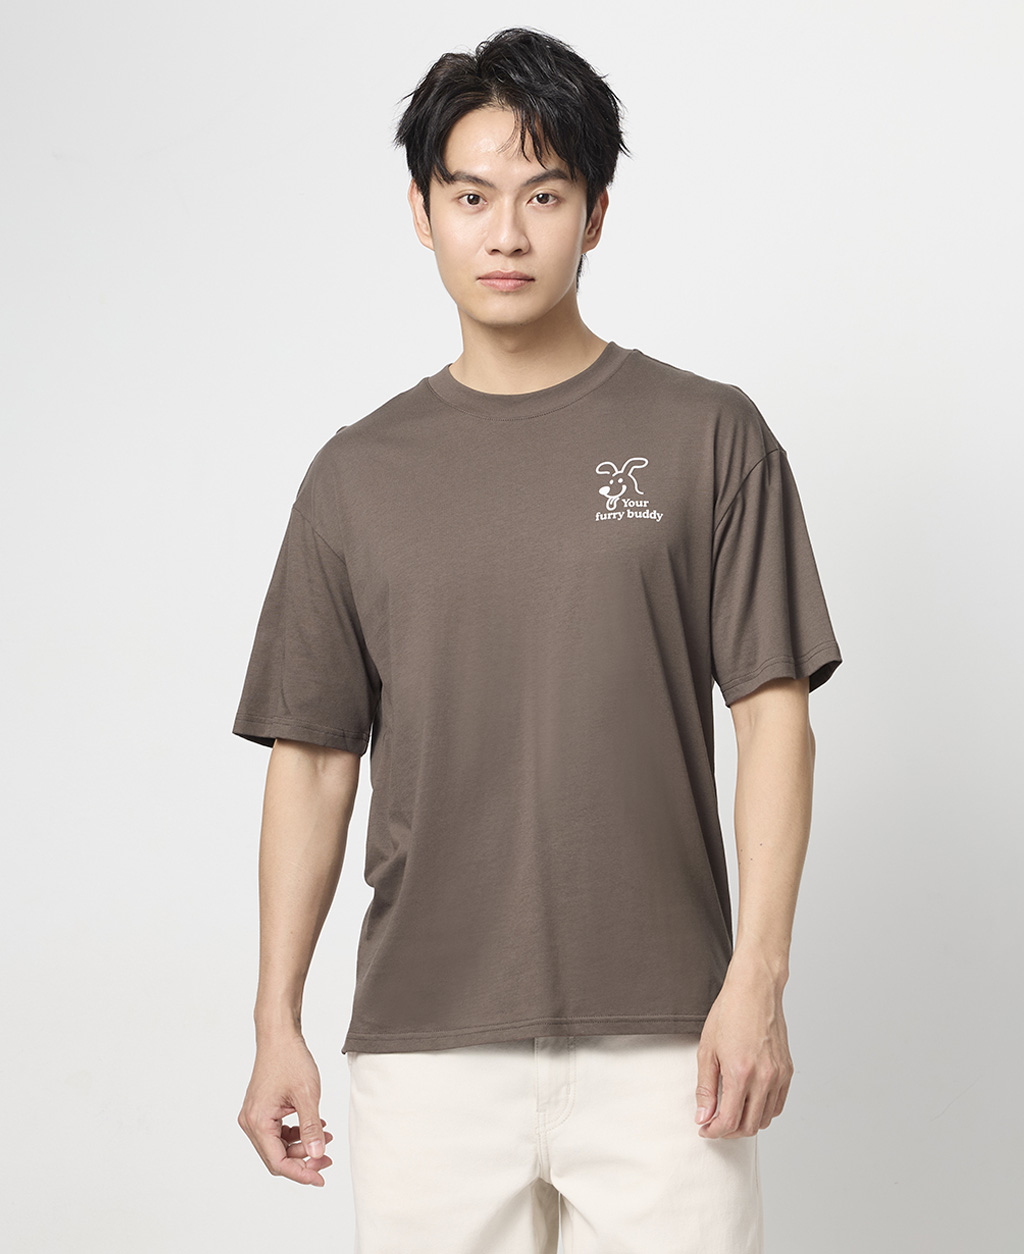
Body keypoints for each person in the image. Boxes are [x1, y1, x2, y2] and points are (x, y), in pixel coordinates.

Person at [234, 25, 842, 1254]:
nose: (505, 234)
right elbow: (313, 760)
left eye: (543, 195)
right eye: (471, 197)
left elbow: (773, 716)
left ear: (596, 214)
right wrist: (274, 1020)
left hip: (672, 1041)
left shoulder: (707, 435)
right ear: (422, 213)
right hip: (426, 1048)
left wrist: (757, 980)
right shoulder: (355, 476)